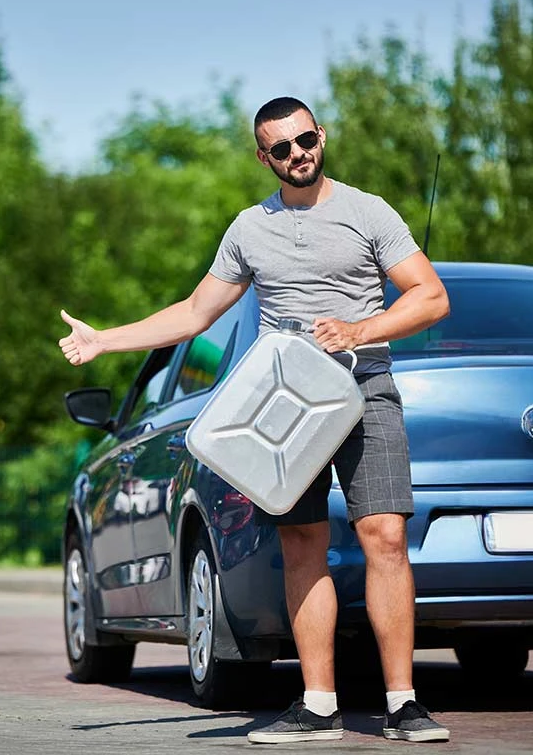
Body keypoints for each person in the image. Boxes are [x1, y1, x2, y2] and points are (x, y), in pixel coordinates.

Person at [58, 97, 451, 744]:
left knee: (384, 535)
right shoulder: (249, 229)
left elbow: (430, 296)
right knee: (302, 545)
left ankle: (404, 703)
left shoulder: (367, 212)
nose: (299, 155)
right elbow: (193, 314)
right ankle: (318, 706)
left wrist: (360, 328)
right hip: (284, 407)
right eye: (282, 148)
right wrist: (105, 340)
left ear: (321, 135)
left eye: (306, 140)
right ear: (263, 156)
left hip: (363, 391)